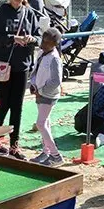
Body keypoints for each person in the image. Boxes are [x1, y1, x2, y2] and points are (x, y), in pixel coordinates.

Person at [0, 0, 42, 160]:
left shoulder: (30, 13)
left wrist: (31, 39)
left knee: (17, 106)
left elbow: (39, 38)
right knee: (4, 103)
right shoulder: (0, 13)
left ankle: (14, 145)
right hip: (3, 65)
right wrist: (12, 38)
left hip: (22, 65)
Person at [29, 28, 64, 167]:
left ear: (54, 44)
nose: (42, 43)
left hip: (48, 94)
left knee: (41, 123)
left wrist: (42, 90)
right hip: (40, 92)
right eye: (42, 40)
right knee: (46, 122)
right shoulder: (42, 53)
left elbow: (56, 81)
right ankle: (46, 152)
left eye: (46, 42)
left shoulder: (54, 59)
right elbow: (36, 70)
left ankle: (56, 155)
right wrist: (33, 83)